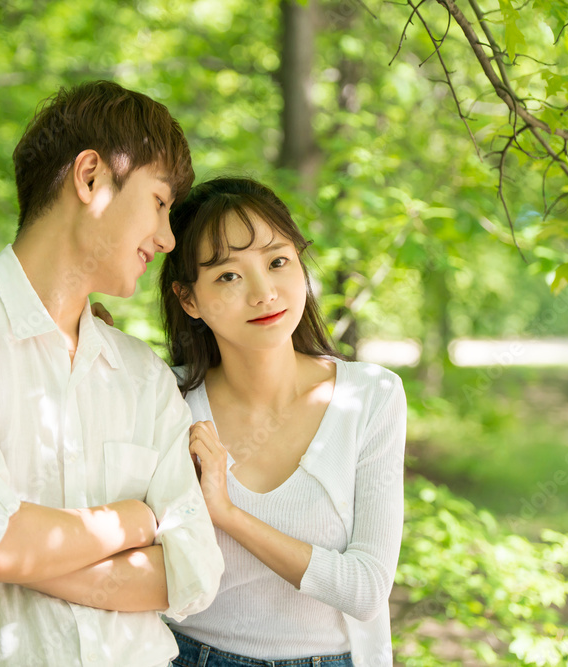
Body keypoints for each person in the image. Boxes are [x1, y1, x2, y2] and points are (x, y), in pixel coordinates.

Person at [0, 80, 224, 667]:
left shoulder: (141, 376)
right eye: (160, 202)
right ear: (91, 178)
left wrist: (33, 553)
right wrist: (135, 519)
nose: (167, 239)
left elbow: (194, 573)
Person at [158, 178, 407, 667]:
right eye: (228, 275)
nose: (264, 293)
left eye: (277, 261)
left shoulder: (371, 397)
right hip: (191, 657)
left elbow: (366, 589)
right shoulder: (166, 400)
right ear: (189, 299)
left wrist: (227, 513)